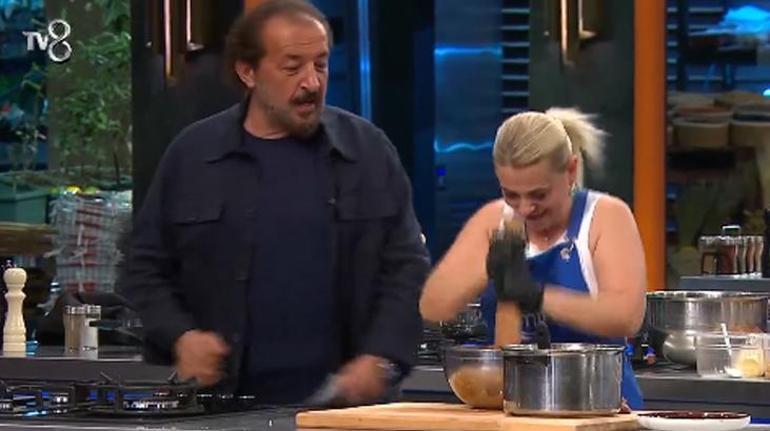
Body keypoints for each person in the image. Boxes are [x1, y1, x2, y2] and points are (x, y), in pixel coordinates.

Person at [119, 0, 430, 406]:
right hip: (218, 408)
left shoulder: (366, 152)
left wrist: (381, 357)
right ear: (248, 72)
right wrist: (181, 336)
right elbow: (142, 266)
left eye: (320, 64)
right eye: (292, 67)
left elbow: (407, 265)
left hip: (343, 411)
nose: (312, 82)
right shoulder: (194, 156)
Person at [419, 108, 647, 409]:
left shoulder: (604, 217)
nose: (525, 208)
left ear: (570, 171)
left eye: (539, 195)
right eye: (511, 194)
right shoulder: (494, 221)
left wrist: (536, 296)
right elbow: (433, 306)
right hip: (519, 408)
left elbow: (626, 316)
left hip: (603, 404)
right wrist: (490, 269)